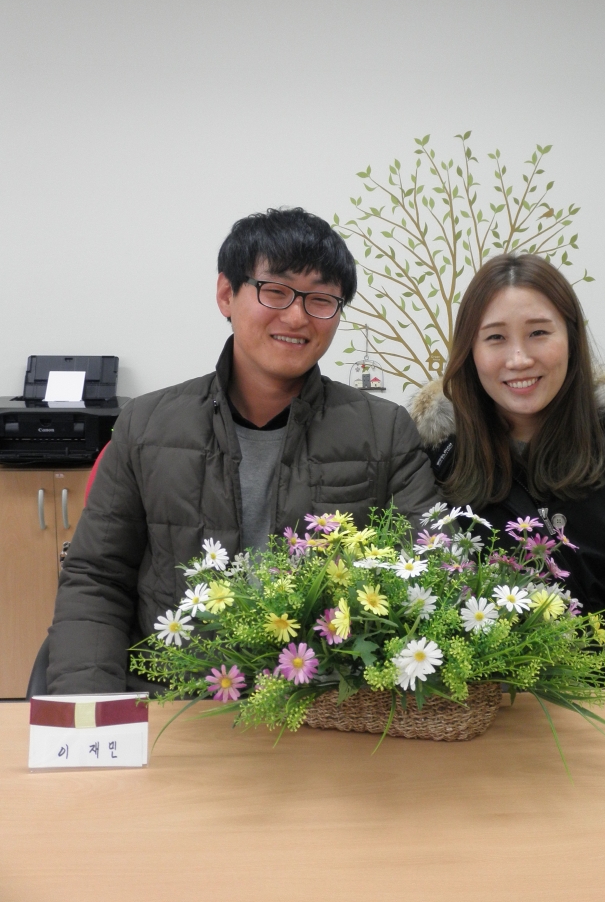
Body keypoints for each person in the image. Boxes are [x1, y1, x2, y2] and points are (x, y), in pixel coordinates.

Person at [47, 208, 439, 694]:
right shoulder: (146, 425)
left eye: (321, 299)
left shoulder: (384, 431)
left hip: (326, 705)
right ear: (226, 294)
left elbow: (429, 575)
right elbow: (97, 579)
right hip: (175, 701)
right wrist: (89, 713)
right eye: (275, 291)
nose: (297, 316)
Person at [410, 253, 605, 687]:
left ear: (571, 337)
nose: (518, 359)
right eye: (495, 338)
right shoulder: (435, 457)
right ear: (470, 352)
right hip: (481, 697)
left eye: (539, 333)